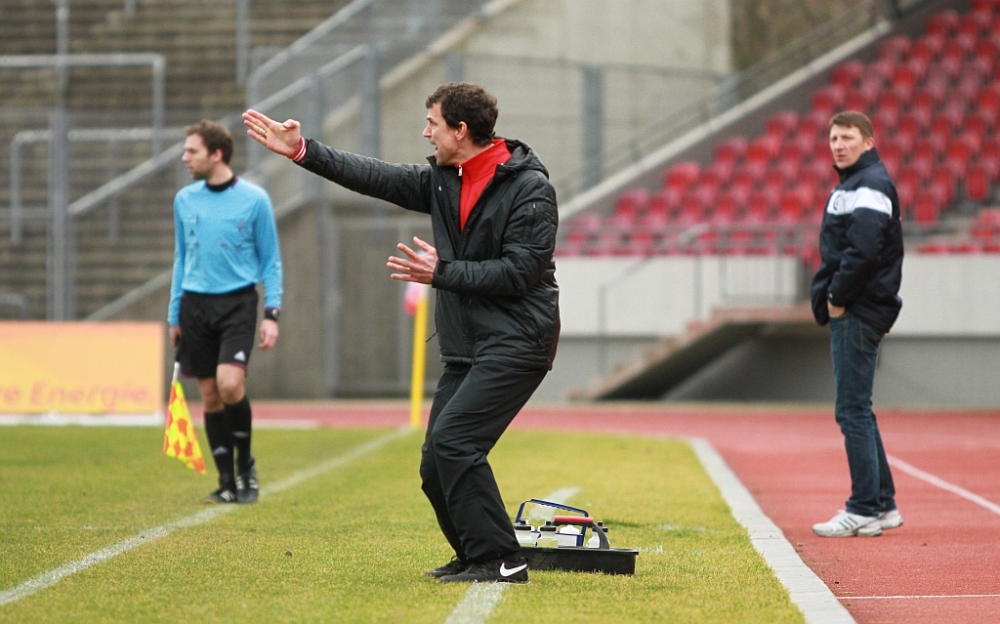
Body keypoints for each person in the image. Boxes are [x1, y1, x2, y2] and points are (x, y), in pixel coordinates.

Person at [242, 82, 559, 583]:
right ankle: (476, 554)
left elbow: (520, 273)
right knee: (435, 462)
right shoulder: (445, 178)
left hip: (520, 340)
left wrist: (441, 273)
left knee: (454, 443)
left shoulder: (530, 188)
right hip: (468, 346)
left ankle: (503, 559)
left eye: (433, 123)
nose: (425, 133)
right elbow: (376, 176)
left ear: (460, 130)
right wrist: (303, 151)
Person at [169, 120, 283, 505]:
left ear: (216, 154)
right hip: (194, 306)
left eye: (192, 151)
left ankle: (245, 466)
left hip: (237, 303)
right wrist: (174, 314)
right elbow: (181, 258)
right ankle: (225, 483)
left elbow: (271, 261)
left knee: (230, 384)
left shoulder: (254, 199)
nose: (185, 158)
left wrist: (272, 313)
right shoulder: (184, 200)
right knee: (209, 394)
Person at [810, 111, 904, 537]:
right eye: (833, 138)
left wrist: (836, 297)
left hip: (857, 308)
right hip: (860, 306)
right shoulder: (855, 183)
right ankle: (883, 506)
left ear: (868, 142)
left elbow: (863, 251)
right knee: (859, 409)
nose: (838, 144)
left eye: (847, 137)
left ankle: (863, 507)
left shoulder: (869, 184)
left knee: (851, 410)